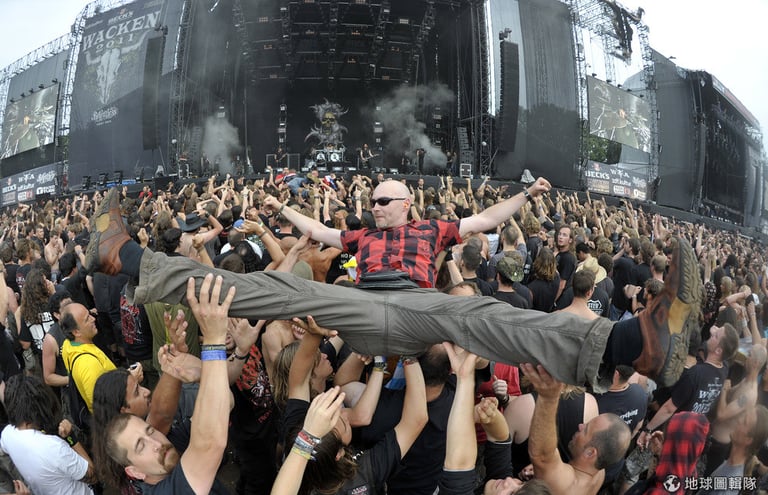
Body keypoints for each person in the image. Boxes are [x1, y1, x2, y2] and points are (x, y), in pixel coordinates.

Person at [85, 184, 700, 392]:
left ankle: (634, 346)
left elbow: (487, 219)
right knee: (287, 293)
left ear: (407, 204)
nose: (375, 207)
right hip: (359, 303)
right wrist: (279, 209)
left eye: (384, 200)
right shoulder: (358, 235)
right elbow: (317, 230)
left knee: (479, 317)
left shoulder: (433, 229)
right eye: (372, 201)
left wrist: (527, 195)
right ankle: (124, 255)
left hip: (415, 307)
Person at [101, 274, 233, 494]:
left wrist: (181, 365)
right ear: (135, 472)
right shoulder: (167, 491)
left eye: (150, 431)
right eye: (141, 446)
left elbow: (223, 405)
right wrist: (214, 339)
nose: (156, 444)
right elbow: (210, 443)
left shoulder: (167, 448)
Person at [524, 363, 631, 495]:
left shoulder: (565, 484)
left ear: (590, 453)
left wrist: (548, 397)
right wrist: (544, 472)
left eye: (586, 430)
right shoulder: (598, 472)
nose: (581, 425)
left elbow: (542, 457)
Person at [0, 374, 97, 495]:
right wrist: (71, 437)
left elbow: (3, 452)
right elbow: (92, 476)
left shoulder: (7, 434)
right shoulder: (54, 447)